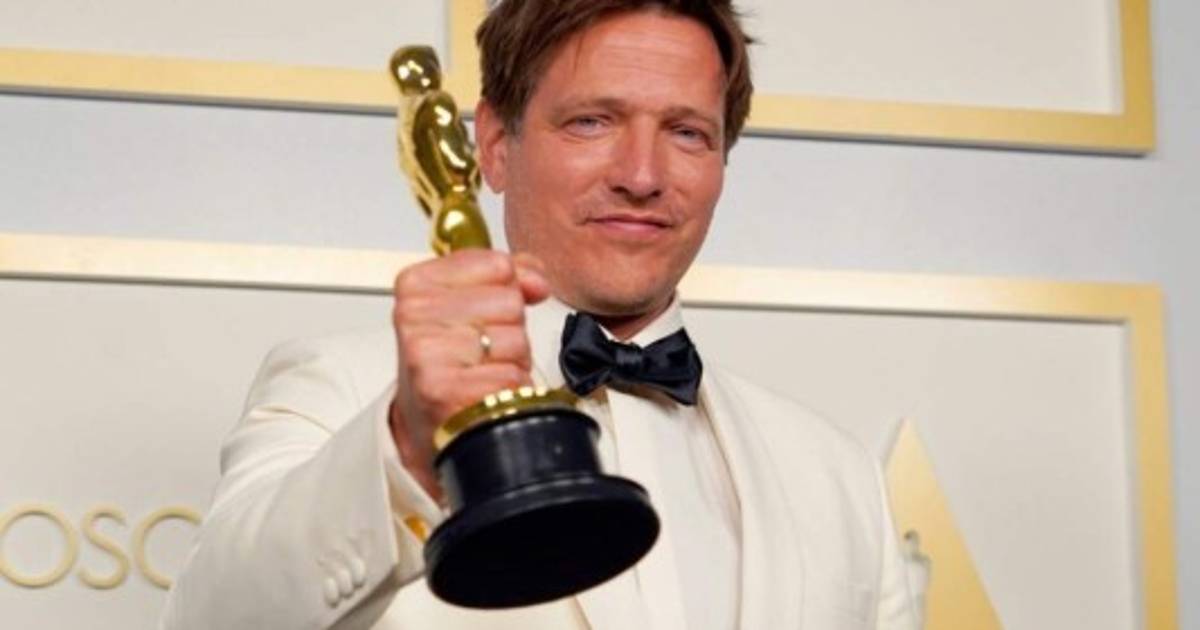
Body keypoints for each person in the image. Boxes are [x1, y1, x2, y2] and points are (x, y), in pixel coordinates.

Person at [161, 1, 919, 629]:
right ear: (494, 145)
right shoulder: (344, 390)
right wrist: (409, 445)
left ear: (723, 160)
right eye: (592, 121)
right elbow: (212, 617)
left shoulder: (837, 472)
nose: (642, 175)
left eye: (687, 132)